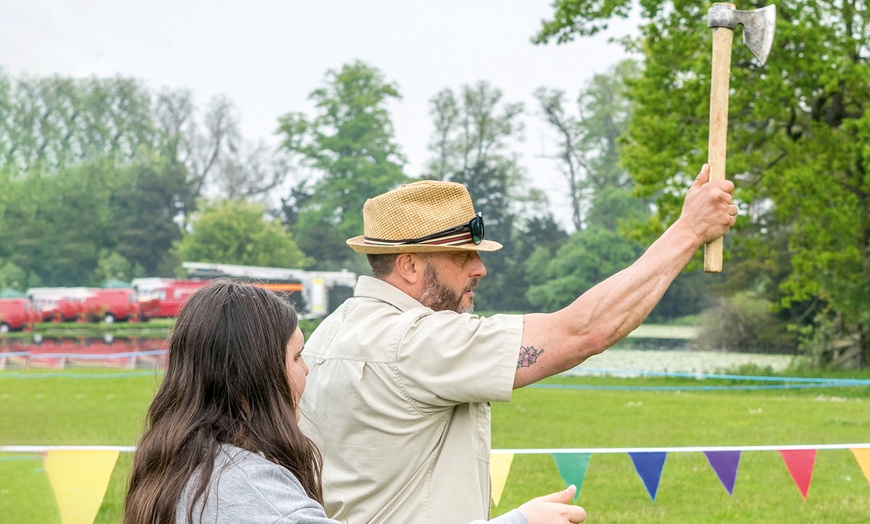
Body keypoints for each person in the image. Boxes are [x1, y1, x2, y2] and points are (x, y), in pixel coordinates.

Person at [300, 164, 738, 524]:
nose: (479, 269)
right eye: (461, 256)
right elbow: (585, 331)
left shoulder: (331, 331)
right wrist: (688, 230)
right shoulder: (415, 342)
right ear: (409, 265)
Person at [123, 279, 586, 524]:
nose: (307, 370)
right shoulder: (251, 487)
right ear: (255, 373)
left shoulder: (184, 462)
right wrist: (522, 521)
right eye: (296, 356)